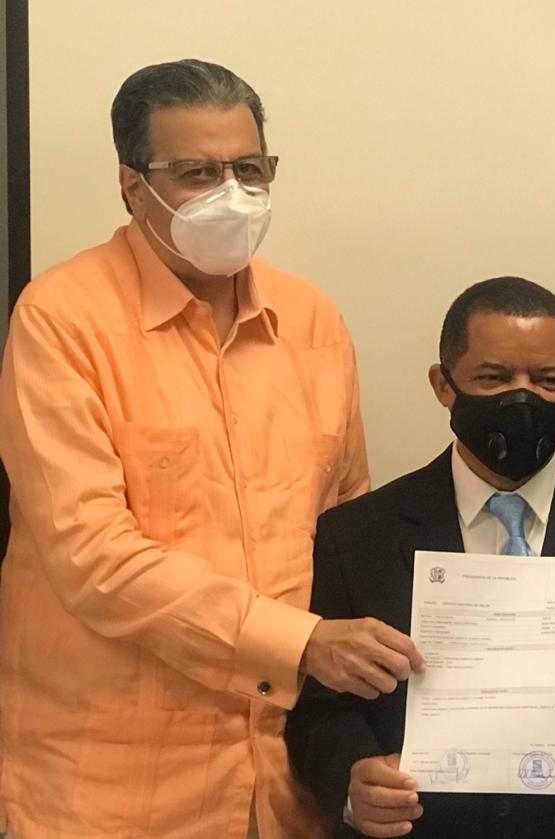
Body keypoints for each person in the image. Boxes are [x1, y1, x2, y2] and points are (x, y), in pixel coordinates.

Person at [0, 59, 422, 839]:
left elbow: (346, 533)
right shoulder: (61, 319)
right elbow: (93, 557)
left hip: (289, 781)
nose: (232, 193)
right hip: (115, 792)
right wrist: (300, 643)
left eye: (249, 169)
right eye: (197, 173)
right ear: (133, 186)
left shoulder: (313, 322)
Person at [285, 277, 555, 839]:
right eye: (493, 378)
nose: (522, 398)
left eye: (548, 381)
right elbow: (318, 706)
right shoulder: (357, 535)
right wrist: (349, 780)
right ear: (443, 384)